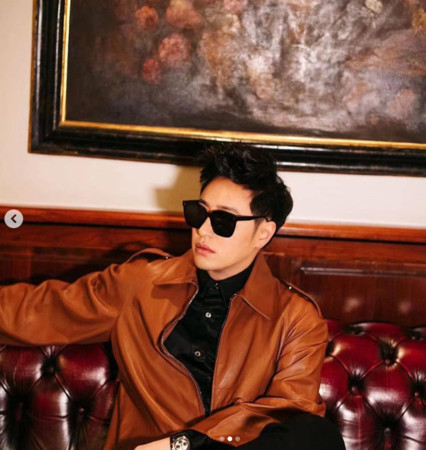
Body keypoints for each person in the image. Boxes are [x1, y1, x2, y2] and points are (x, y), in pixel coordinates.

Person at [0, 143, 345, 450]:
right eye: (199, 212)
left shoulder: (296, 318)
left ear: (263, 233)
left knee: (317, 434)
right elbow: (37, 310)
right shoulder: (141, 285)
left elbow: (290, 412)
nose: (203, 230)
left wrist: (185, 444)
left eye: (223, 221)